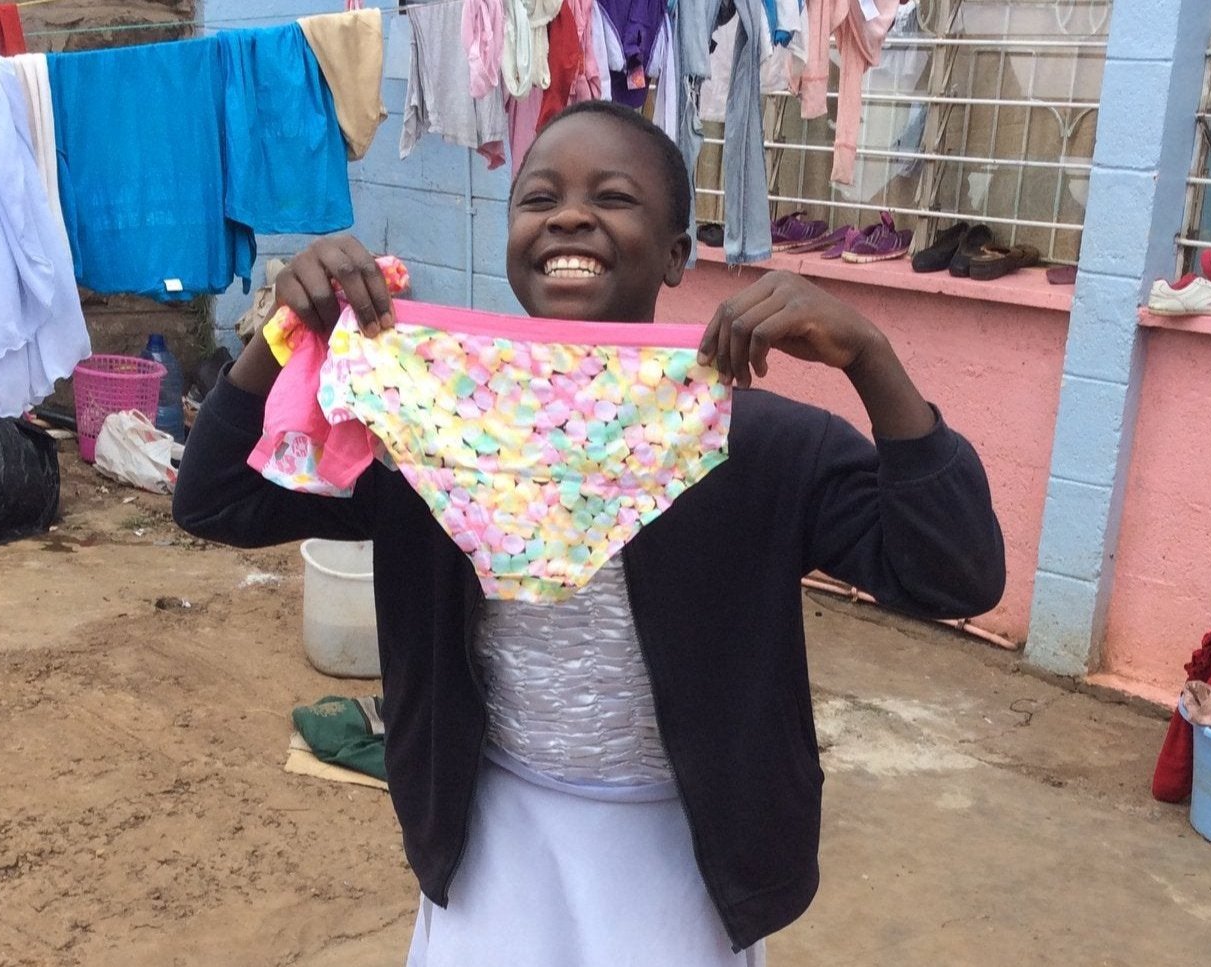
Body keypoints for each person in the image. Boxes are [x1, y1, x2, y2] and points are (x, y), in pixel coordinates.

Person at [174, 100, 1004, 965]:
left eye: (614, 197)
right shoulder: (433, 430)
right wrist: (283, 337)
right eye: (538, 198)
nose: (569, 215)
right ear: (510, 238)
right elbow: (219, 501)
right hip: (491, 828)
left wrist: (870, 356)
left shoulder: (757, 447)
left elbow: (955, 573)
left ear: (679, 253)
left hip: (686, 851)